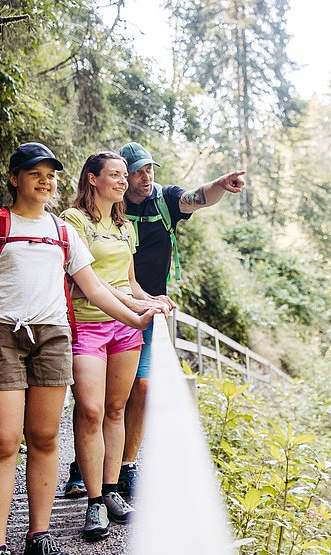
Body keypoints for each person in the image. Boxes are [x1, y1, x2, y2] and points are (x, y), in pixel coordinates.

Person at [0, 142, 160, 555]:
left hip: (53, 337)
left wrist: (139, 316)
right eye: (35, 173)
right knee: (4, 441)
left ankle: (38, 536)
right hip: (0, 335)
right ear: (14, 177)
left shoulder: (61, 230)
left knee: (46, 438)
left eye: (50, 174)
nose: (45, 181)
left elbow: (96, 288)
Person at [64, 141, 245, 500]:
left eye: (149, 170)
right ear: (110, 178)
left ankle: (125, 468)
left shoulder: (162, 202)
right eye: (134, 173)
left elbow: (197, 197)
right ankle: (83, 468)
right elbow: (87, 276)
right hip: (99, 313)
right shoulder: (94, 218)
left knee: (140, 389)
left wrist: (221, 184)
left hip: (140, 312)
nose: (145, 177)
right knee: (92, 401)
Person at [61, 151, 171, 541]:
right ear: (92, 179)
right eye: (115, 175)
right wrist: (135, 307)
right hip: (88, 324)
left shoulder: (125, 226)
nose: (124, 181)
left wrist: (151, 299)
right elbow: (89, 281)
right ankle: (92, 502)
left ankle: (110, 492)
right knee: (89, 410)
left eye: (126, 175)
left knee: (115, 408)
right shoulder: (73, 221)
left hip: (125, 330)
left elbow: (130, 282)